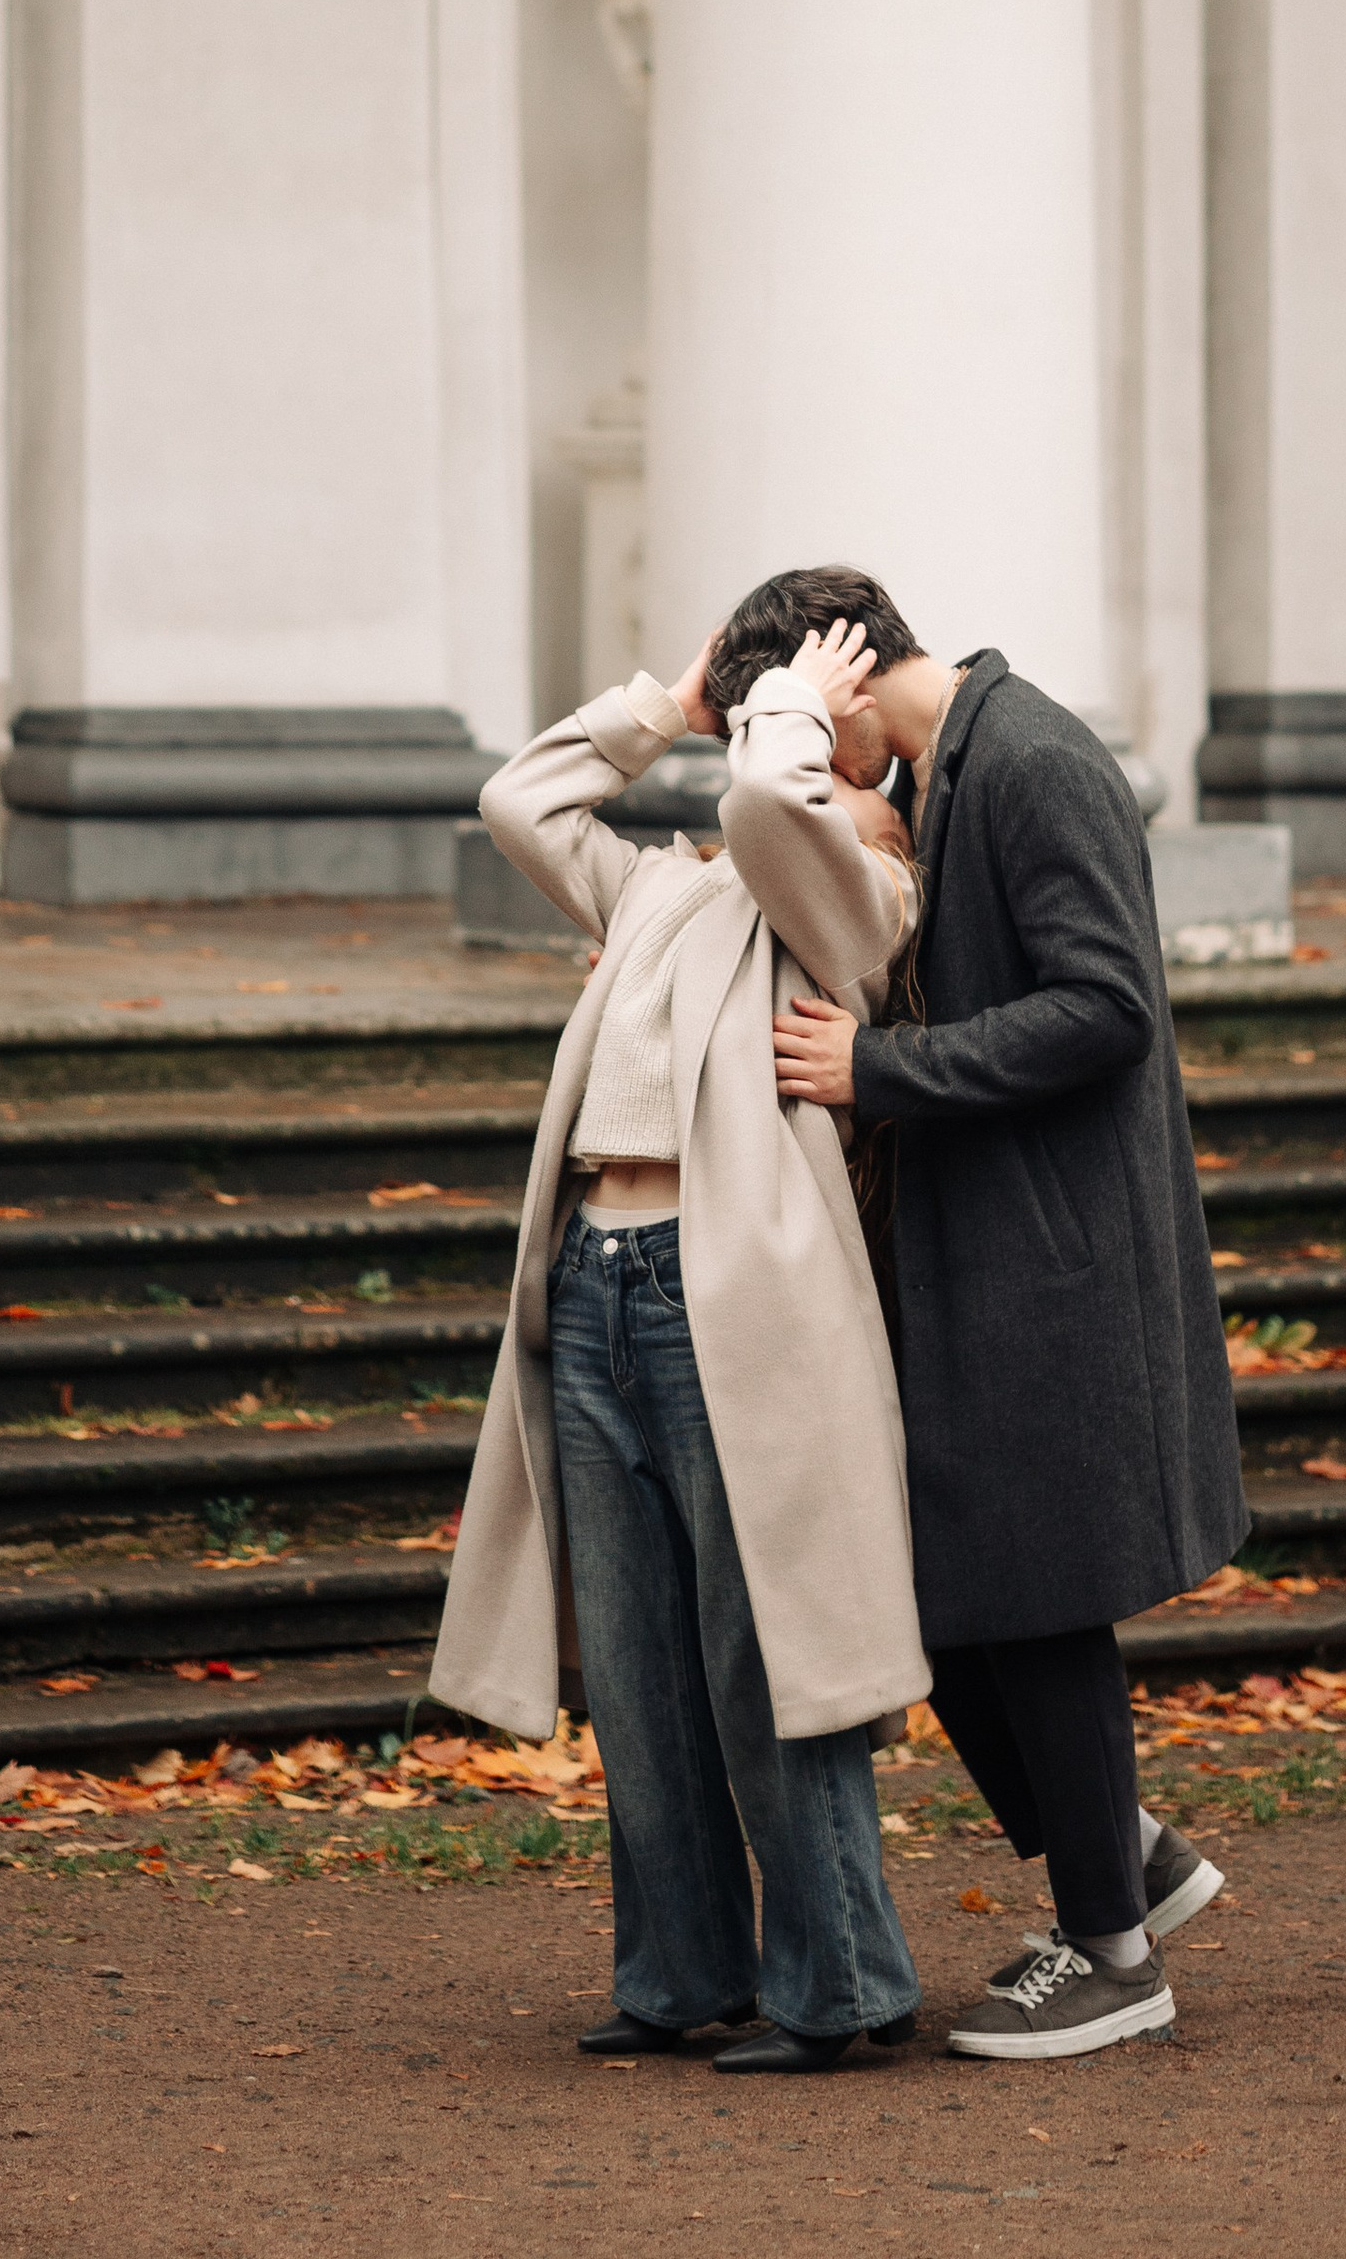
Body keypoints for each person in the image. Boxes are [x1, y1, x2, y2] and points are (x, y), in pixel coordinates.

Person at [743, 564, 1249, 2063]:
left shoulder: (1026, 757)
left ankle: (1114, 1952)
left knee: (1034, 1601)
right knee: (954, 1588)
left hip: (1056, 1262)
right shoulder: (958, 766)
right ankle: (1129, 1860)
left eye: (787, 721)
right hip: (994, 1259)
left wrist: (878, 1071)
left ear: (839, 685)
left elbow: (1108, 1006)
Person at [431, 621, 928, 2074]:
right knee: (641, 1671)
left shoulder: (858, 897)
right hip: (593, 1287)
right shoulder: (659, 896)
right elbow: (522, 800)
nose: (792, 757)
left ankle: (844, 1988)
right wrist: (684, 698)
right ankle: (680, 1974)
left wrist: (796, 711)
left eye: (842, 764)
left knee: (765, 1654)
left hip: (734, 1302)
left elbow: (779, 810)